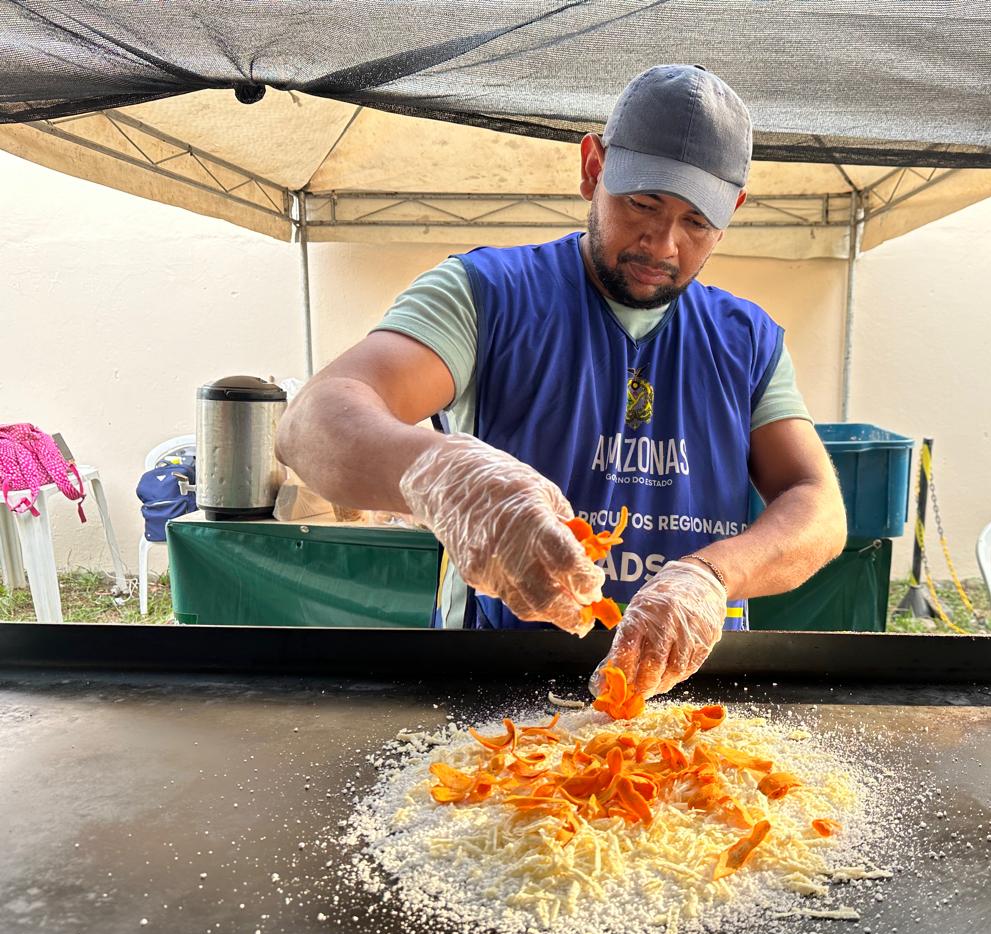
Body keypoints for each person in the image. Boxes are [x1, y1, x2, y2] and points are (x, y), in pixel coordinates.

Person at [277, 64, 846, 698]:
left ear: (733, 211)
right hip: (496, 690)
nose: (662, 245)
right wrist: (446, 477)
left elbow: (817, 505)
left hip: (686, 699)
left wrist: (712, 577)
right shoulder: (485, 295)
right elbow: (311, 424)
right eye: (643, 203)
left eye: (696, 223)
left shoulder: (747, 340)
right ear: (593, 167)